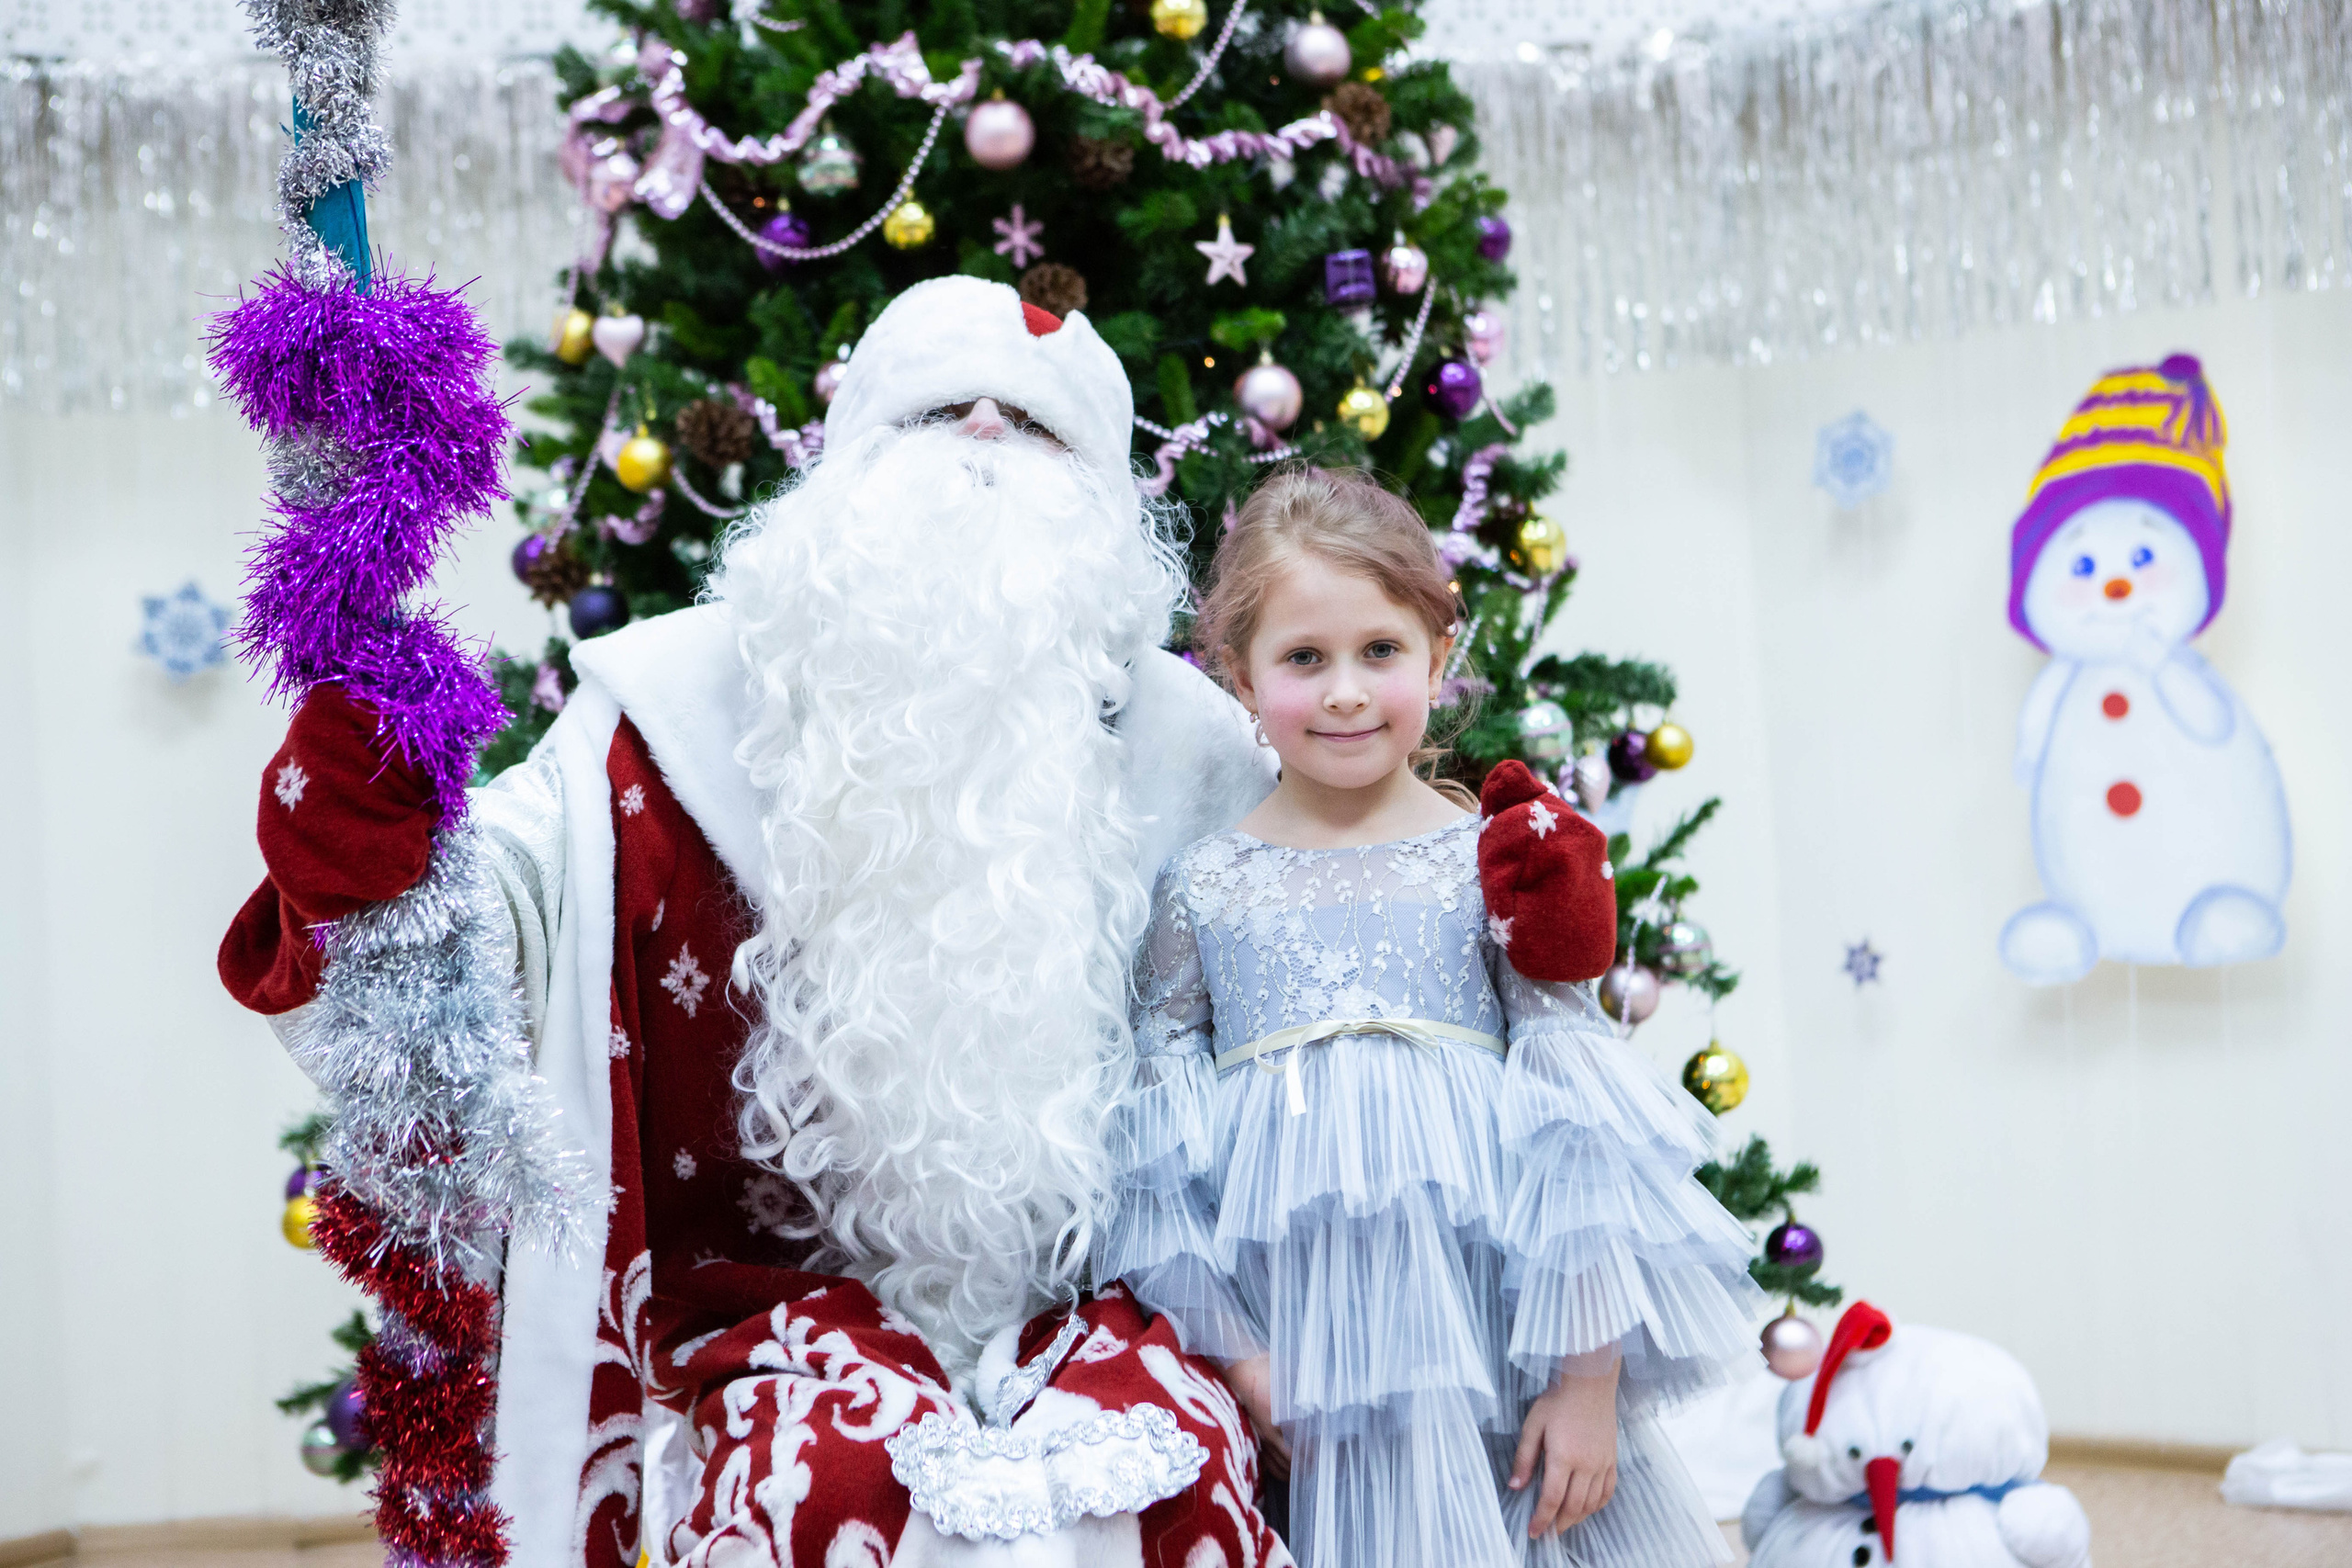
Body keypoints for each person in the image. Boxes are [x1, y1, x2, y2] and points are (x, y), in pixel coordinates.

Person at [220, 277, 1292, 1568]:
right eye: (939, 409)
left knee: (1178, 1482)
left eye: (1036, 425)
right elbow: (502, 938)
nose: (984, 437)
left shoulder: (1197, 756)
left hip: (1109, 1308)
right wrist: (379, 842)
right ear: (844, 468)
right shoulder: (666, 714)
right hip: (765, 1321)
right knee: (829, 1499)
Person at [1099, 468, 1762, 1568]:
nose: (1345, 693)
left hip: (1495, 1338)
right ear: (1240, 675)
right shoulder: (1204, 887)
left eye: (1379, 652)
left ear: (1437, 658)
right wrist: (1242, 1359)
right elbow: (1158, 1161)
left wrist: (1587, 1385)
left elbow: (1579, 1134)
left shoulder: (1488, 862)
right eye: (1303, 660)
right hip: (1307, 1358)